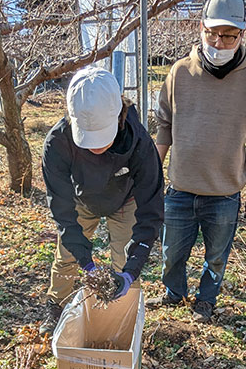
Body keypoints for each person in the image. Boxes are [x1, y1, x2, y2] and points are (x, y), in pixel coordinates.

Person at [155, 0, 246, 322]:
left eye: (228, 36)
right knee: (171, 253)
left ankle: (206, 299)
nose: (219, 43)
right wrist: (150, 175)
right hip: (180, 189)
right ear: (201, 28)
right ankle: (174, 293)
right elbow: (164, 126)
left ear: (241, 34)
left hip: (223, 193)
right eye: (212, 33)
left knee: (216, 256)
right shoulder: (180, 73)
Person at [40, 65, 164, 334]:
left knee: (123, 260)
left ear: (118, 114)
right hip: (81, 199)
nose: (96, 147)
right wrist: (85, 259)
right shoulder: (57, 144)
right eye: (88, 139)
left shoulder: (139, 142)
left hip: (125, 199)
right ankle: (55, 306)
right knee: (66, 258)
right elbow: (61, 210)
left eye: (102, 138)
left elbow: (151, 210)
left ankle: (125, 317)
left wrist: (131, 269)